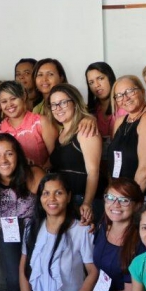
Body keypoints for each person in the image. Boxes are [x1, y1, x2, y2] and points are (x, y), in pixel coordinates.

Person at [19, 173, 97, 291]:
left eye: (58, 193)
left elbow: (93, 272)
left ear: (69, 196)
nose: (51, 199)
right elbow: (23, 271)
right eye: (46, 193)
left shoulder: (82, 229)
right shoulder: (32, 227)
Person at [64, 179, 145, 291]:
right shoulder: (102, 227)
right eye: (110, 198)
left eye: (124, 200)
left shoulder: (140, 242)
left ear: (137, 205)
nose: (115, 204)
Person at [0, 134, 44, 291]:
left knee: (36, 273)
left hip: (34, 228)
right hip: (7, 230)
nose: (3, 160)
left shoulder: (33, 174)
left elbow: (52, 202)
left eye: (9, 153)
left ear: (18, 154)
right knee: (14, 279)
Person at [47, 85, 101, 222]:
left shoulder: (85, 131)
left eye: (63, 103)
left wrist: (87, 203)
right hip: (65, 199)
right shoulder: (60, 132)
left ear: (75, 103)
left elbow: (93, 171)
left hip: (82, 200)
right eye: (53, 105)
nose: (58, 108)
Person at [107, 76, 146, 201]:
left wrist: (129, 201)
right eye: (119, 95)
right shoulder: (120, 121)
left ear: (142, 91)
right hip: (120, 196)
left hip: (142, 197)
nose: (125, 98)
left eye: (130, 91)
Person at [0, 81, 55, 168]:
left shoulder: (40, 122)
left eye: (13, 99)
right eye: (4, 101)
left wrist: (42, 172)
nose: (9, 104)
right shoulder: (1, 129)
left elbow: (55, 155)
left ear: (23, 97)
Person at [85, 62, 121, 140]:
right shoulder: (88, 111)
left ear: (110, 78)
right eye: (91, 82)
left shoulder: (124, 104)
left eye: (100, 78)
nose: (96, 85)